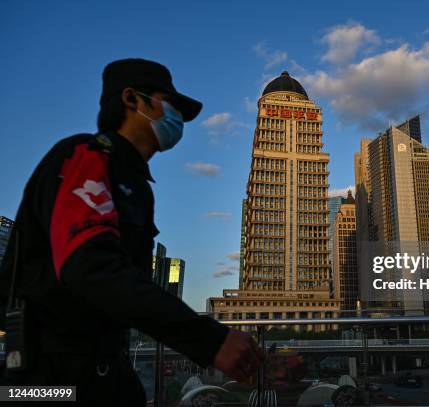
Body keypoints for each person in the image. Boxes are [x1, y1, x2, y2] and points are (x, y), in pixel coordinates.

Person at [0, 58, 263, 406]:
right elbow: (91, 267)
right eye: (169, 104)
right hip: (47, 380)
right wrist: (209, 340)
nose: (178, 119)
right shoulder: (86, 156)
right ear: (131, 99)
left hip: (107, 366)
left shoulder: (136, 184)